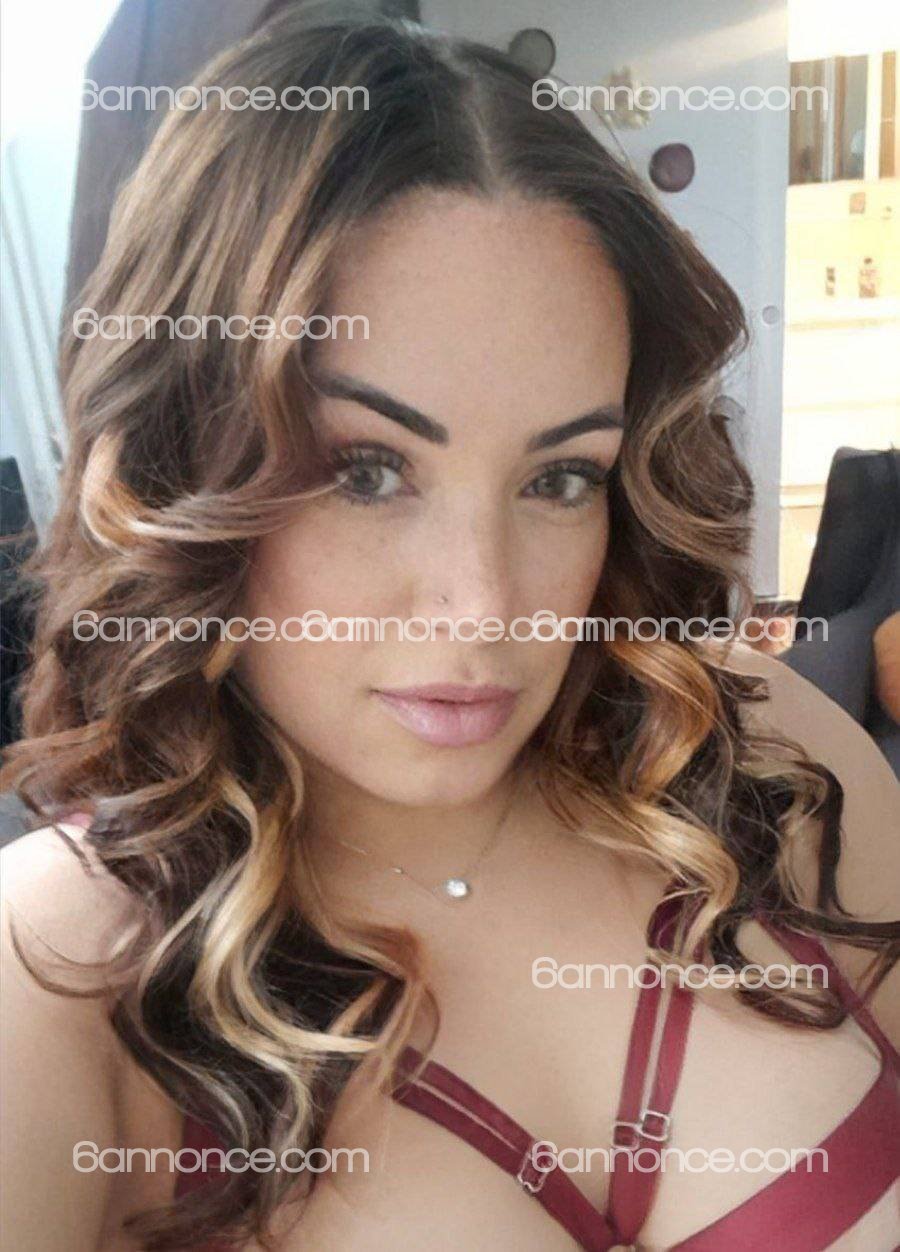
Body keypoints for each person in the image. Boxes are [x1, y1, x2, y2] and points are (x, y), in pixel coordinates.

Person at [1, 12, 897, 1252]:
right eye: (364, 470)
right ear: (180, 460)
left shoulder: (773, 761)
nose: (485, 605)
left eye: (560, 477)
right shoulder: (55, 974)